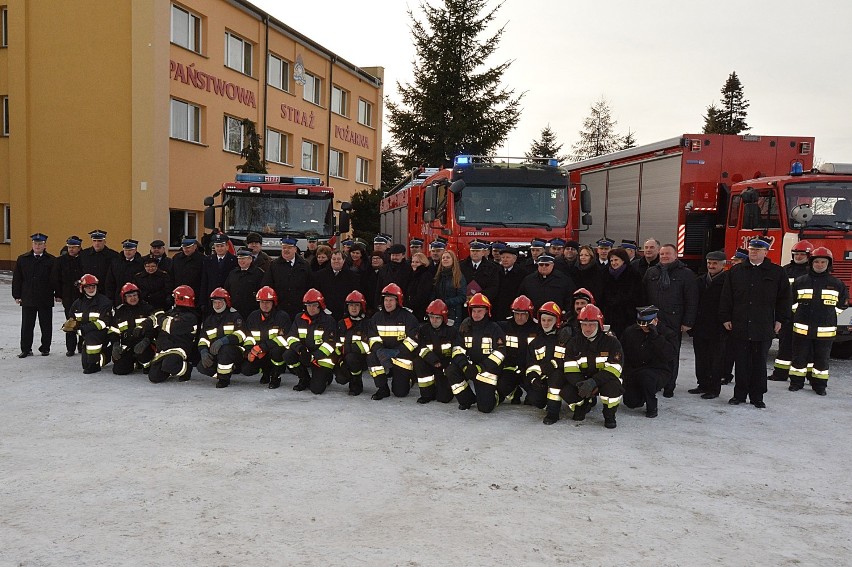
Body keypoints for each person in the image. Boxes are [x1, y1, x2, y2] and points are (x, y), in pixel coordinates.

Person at [720, 237, 790, 409]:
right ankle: (739, 395)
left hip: (763, 325)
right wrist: (725, 318)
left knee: (759, 363)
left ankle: (757, 396)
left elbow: (784, 299)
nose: (754, 252)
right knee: (741, 362)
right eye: (751, 249)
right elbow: (726, 297)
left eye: (758, 250)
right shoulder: (736, 271)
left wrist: (780, 319)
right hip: (740, 324)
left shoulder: (776, 272)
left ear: (766, 252)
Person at [545, 304, 624, 428]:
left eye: (592, 324)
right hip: (582, 381)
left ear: (599, 324)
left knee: (613, 387)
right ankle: (582, 406)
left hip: (604, 380)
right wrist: (582, 384)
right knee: (567, 392)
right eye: (584, 324)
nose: (588, 328)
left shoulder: (612, 342)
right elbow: (570, 369)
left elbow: (614, 368)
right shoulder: (573, 343)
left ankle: (609, 415)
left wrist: (593, 382)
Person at [788, 247, 849, 395]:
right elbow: (791, 301)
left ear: (829, 264)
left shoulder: (837, 283)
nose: (820, 264)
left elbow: (843, 304)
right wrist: (800, 313)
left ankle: (820, 386)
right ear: (811, 263)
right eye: (817, 261)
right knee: (799, 358)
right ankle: (796, 383)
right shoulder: (800, 281)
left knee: (822, 360)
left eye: (823, 262)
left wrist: (829, 314)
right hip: (802, 328)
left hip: (825, 330)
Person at [642, 243, 698, 397]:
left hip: (674, 320)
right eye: (662, 254)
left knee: (671, 353)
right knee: (653, 352)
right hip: (654, 320)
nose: (665, 257)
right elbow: (644, 296)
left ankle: (669, 385)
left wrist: (688, 322)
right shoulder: (651, 272)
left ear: (676, 255)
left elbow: (692, 300)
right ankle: (656, 382)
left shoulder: (686, 274)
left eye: (668, 254)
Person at [445, 293, 507, 412]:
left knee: (485, 408)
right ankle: (467, 399)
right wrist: (464, 366)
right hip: (468, 366)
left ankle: (498, 394)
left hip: (487, 370)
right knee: (451, 370)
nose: (476, 314)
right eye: (474, 311)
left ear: (486, 311)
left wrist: (480, 367)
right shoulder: (465, 327)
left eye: (480, 311)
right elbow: (457, 349)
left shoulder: (494, 328)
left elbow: (500, 353)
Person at [620, 306, 678, 418]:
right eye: (640, 324)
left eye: (647, 324)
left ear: (655, 321)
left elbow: (670, 355)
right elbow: (623, 352)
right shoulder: (630, 332)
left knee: (647, 378)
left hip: (657, 370)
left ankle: (652, 406)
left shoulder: (667, 333)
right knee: (631, 402)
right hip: (635, 369)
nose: (643, 327)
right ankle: (642, 394)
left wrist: (656, 337)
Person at [365, 283, 419, 399]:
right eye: (386, 300)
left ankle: (409, 378)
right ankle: (382, 388)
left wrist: (396, 352)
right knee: (371, 357)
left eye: (391, 300)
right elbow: (372, 338)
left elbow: (413, 341)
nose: (388, 303)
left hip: (402, 357)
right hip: (383, 355)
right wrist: (379, 350)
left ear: (398, 301)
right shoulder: (376, 318)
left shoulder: (408, 317)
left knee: (400, 393)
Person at [770, 240, 814, 382]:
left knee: (807, 348)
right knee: (784, 345)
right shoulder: (785, 270)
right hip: (787, 316)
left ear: (809, 255)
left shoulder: (812, 273)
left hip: (805, 316)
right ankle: (780, 373)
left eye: (802, 254)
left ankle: (808, 375)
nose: (799, 257)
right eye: (796, 254)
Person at [280, 289, 338, 394]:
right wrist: (301, 349)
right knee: (288, 355)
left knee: (316, 390)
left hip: (322, 358)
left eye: (314, 305)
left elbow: (330, 345)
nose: (311, 308)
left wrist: (313, 356)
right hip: (304, 353)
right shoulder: (299, 318)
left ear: (320, 305)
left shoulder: (328, 320)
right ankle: (304, 378)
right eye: (308, 305)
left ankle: (326, 376)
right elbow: (291, 337)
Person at [689, 251, 729, 399]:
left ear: (723, 265)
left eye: (714, 263)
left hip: (717, 328)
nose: (711, 266)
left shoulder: (727, 281)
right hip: (700, 326)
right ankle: (702, 384)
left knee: (716, 360)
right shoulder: (700, 281)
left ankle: (713, 388)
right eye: (709, 263)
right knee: (701, 357)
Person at [13, 233, 57, 357]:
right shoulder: (23, 259)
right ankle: (26, 349)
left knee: (46, 325)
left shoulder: (51, 260)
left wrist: (57, 294)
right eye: (35, 243)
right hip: (28, 297)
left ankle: (45, 348)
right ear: (32, 244)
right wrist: (17, 295)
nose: (37, 246)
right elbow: (17, 278)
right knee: (27, 325)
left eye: (40, 244)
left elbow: (54, 279)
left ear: (45, 245)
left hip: (45, 297)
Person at [147, 285, 200, 384]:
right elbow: (153, 320)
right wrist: (141, 327)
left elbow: (170, 327)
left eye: (174, 297)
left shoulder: (190, 317)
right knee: (154, 377)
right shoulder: (171, 312)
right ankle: (170, 368)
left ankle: (186, 369)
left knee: (169, 365)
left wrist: (159, 316)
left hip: (179, 349)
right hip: (164, 348)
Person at [62, 274, 113, 374]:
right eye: (88, 287)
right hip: (86, 333)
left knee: (92, 338)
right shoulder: (77, 303)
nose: (91, 289)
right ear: (82, 288)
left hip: (103, 332)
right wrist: (71, 326)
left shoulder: (104, 302)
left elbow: (104, 322)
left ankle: (95, 364)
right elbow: (73, 318)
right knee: (85, 364)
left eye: (93, 287)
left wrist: (84, 329)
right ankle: (102, 353)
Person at [242, 286, 291, 388]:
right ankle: (265, 372)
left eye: (268, 302)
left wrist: (262, 347)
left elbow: (284, 339)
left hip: (275, 352)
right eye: (262, 302)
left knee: (277, 351)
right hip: (259, 353)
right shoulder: (253, 317)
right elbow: (248, 337)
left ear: (273, 303)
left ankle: (275, 376)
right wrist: (248, 351)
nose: (264, 305)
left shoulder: (282, 317)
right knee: (246, 369)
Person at [196, 288, 245, 388]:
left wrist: (224, 340)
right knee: (201, 366)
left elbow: (241, 334)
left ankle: (224, 379)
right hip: (216, 353)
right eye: (215, 302)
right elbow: (203, 339)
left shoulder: (234, 316)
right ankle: (220, 373)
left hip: (234, 351)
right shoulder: (209, 320)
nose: (217, 305)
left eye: (220, 302)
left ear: (226, 302)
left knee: (225, 349)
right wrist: (203, 351)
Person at [524, 301, 569, 410]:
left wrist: (554, 364)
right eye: (543, 320)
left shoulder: (563, 339)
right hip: (543, 377)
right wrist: (534, 378)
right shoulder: (535, 342)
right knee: (535, 400)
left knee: (558, 380)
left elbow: (570, 359)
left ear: (556, 321)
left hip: (563, 377)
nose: (546, 323)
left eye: (549, 320)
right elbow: (531, 364)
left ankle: (554, 411)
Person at [413, 299, 458, 404]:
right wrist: (433, 360)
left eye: (437, 318)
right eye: (431, 317)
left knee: (444, 398)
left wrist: (447, 365)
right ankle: (426, 394)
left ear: (444, 318)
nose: (434, 320)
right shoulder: (423, 330)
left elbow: (457, 350)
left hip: (445, 366)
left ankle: (442, 387)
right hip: (429, 362)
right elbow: (420, 348)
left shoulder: (452, 331)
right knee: (418, 362)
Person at [109, 283, 156, 375]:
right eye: (129, 296)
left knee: (145, 361)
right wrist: (115, 344)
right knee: (119, 370)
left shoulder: (147, 309)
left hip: (145, 344)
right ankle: (134, 362)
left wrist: (146, 341)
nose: (133, 298)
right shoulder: (119, 312)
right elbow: (113, 330)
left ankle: (147, 363)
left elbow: (154, 328)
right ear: (124, 298)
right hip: (128, 345)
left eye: (135, 295)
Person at [262, 236, 313, 318]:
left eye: (289, 248)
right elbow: (267, 286)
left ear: (295, 249)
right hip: (279, 310)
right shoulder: (274, 265)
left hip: (299, 310)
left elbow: (310, 286)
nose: (286, 250)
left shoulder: (304, 265)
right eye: (284, 247)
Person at [52, 235, 85, 356]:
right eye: (69, 247)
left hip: (82, 296)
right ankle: (70, 348)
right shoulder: (60, 261)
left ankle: (82, 345)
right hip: (67, 295)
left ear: (79, 248)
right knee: (70, 321)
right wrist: (58, 294)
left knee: (83, 321)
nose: (71, 249)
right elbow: (56, 279)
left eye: (74, 247)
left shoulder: (84, 259)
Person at [598, 247, 643, 339]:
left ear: (623, 260)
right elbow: (601, 295)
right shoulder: (605, 274)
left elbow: (639, 296)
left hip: (627, 316)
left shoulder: (633, 274)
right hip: (609, 316)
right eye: (611, 260)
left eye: (616, 260)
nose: (614, 263)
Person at [333, 290, 370, 396]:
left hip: (362, 358)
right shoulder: (341, 323)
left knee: (351, 358)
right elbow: (337, 344)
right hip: (344, 358)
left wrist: (350, 350)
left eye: (357, 305)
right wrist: (340, 361)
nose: (354, 308)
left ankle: (356, 382)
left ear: (362, 307)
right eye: (351, 305)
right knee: (341, 379)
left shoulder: (367, 323)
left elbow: (368, 346)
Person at [313, 250, 359, 321]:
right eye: (334, 259)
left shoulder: (353, 277)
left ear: (343, 260)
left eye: (339, 259)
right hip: (325, 314)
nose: (336, 261)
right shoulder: (320, 275)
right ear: (330, 260)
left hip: (345, 315)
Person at [223, 248, 264, 320]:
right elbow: (226, 289)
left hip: (252, 311)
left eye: (243, 259)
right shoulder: (233, 273)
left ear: (250, 259)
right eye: (239, 259)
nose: (241, 261)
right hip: (235, 311)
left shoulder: (259, 274)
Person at [201, 233, 238, 305]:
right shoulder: (208, 260)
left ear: (227, 246)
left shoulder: (234, 261)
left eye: (222, 246)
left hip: (227, 299)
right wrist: (202, 302)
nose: (219, 248)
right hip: (211, 299)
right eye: (217, 246)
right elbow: (204, 281)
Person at [432, 250, 467, 326]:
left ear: (453, 260)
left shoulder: (459, 277)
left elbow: (462, 297)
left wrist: (446, 302)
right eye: (443, 258)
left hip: (454, 313)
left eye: (448, 257)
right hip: (438, 312)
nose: (445, 259)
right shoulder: (438, 276)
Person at [79, 229, 120, 295]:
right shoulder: (84, 255)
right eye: (94, 241)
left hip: (106, 292)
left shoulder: (113, 256)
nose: (97, 243)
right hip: (88, 291)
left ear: (104, 241)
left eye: (99, 241)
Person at [493, 246, 528, 320]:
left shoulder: (522, 273)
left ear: (514, 259)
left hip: (514, 307)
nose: (505, 260)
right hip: (498, 308)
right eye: (503, 257)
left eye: (507, 257)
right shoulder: (495, 271)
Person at [374, 243, 413, 308]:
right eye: (393, 255)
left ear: (403, 255)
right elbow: (378, 287)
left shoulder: (408, 269)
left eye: (397, 255)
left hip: (402, 304)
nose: (394, 257)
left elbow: (410, 289)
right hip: (386, 304)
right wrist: (378, 304)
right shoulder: (384, 269)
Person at [105, 239, 144, 305]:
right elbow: (110, 282)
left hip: (136, 299)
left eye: (130, 250)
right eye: (126, 250)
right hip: (119, 299)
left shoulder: (141, 264)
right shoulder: (116, 263)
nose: (128, 252)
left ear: (135, 250)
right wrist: (110, 299)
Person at [170, 236, 205, 302]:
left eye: (188, 247)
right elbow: (171, 276)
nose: (186, 249)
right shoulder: (176, 258)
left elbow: (204, 279)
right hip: (179, 294)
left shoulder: (202, 259)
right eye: (184, 247)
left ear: (195, 246)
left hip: (195, 295)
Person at [405, 252, 435, 321]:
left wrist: (411, 305)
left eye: (417, 262)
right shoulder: (411, 275)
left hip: (420, 311)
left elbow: (422, 295)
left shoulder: (426, 276)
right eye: (412, 262)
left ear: (423, 263)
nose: (414, 264)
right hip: (411, 310)